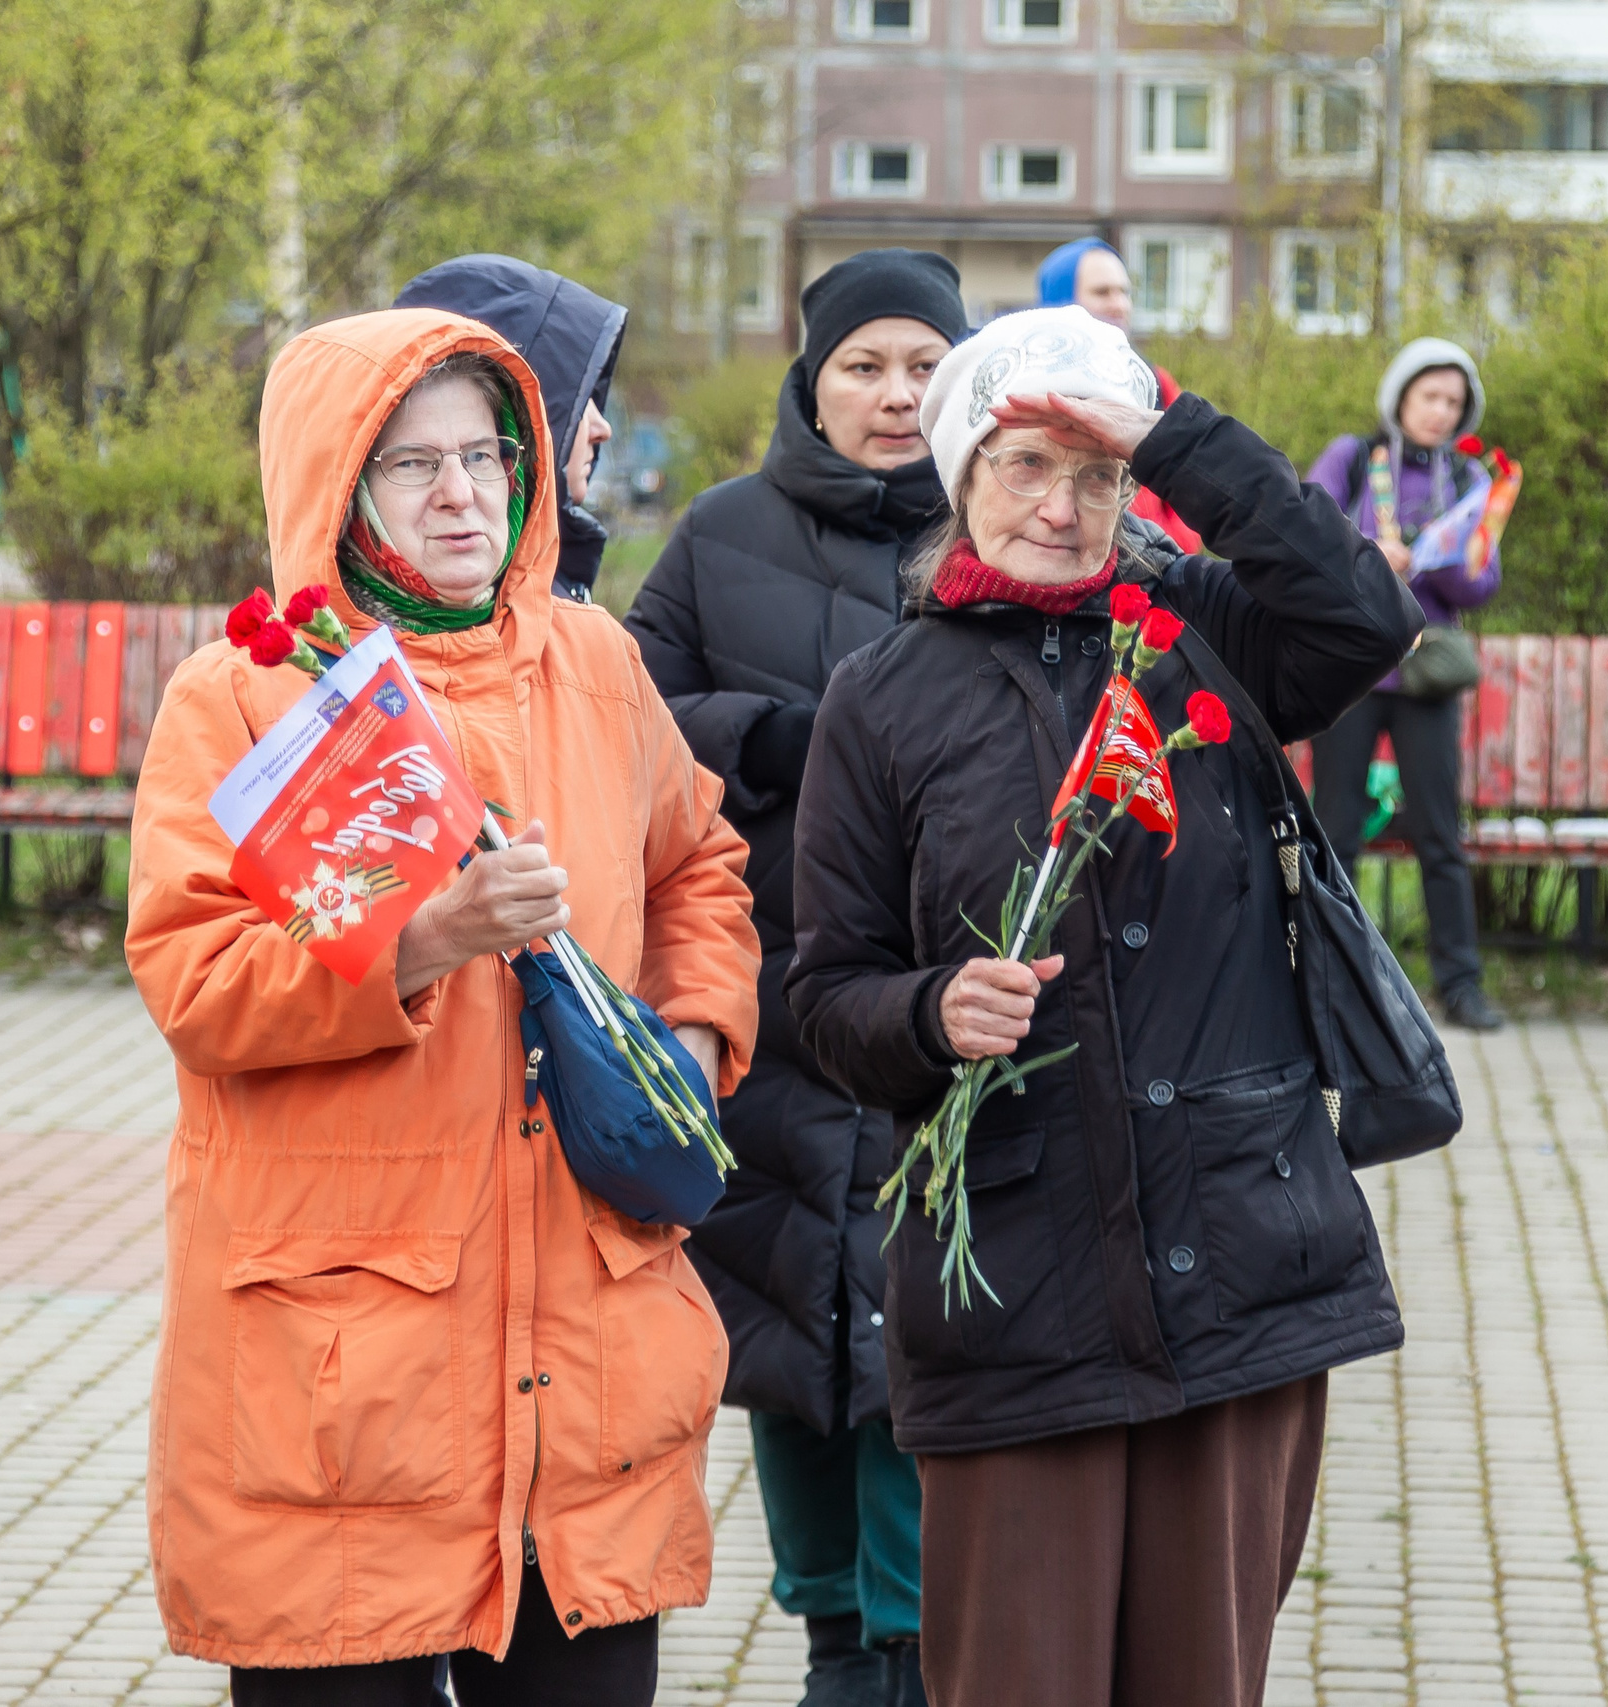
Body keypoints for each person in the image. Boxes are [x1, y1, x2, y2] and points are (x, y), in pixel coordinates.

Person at [785, 305, 1421, 1706]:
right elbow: (823, 996)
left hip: (1236, 1265)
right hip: (1017, 1286)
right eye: (1024, 465)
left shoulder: (1210, 639)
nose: (1062, 509)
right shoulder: (879, 701)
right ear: (959, 477)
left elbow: (1369, 615)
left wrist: (1177, 439)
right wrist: (931, 1008)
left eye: (1098, 473)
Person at [124, 307, 760, 1707]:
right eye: (409, 464)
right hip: (344, 1389)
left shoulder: (594, 665)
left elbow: (699, 864)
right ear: (331, 483)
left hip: (583, 1372)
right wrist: (421, 945)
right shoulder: (252, 696)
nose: (461, 491)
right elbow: (196, 979)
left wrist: (694, 1049)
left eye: (483, 452)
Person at [625, 246, 963, 1707]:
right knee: (775, 1319)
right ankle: (831, 1632)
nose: (897, 396)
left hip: (937, 998)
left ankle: (905, 1640)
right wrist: (773, 738)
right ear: (810, 382)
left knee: (913, 1324)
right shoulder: (720, 531)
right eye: (865, 367)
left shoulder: (996, 523)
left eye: (925, 366)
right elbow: (626, 709)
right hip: (763, 983)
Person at [1304, 337, 1504, 1033]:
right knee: (1334, 832)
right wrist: (1369, 552)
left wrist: (1428, 559)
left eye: (1454, 401)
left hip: (1426, 676)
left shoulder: (1473, 479)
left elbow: (1480, 581)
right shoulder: (1353, 457)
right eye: (1430, 396)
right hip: (1352, 670)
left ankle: (1461, 987)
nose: (1441, 412)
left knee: (1440, 836)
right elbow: (1305, 536)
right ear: (1402, 396)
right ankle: (1329, 989)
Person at [394, 254, 626, 603]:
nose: (602, 427)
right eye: (580, 395)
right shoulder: (476, 612)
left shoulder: (572, 620)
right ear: (527, 408)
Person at [1036, 237, 1201, 553]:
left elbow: (1190, 483)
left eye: (1124, 292)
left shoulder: (1156, 382)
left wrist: (1169, 547)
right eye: (1102, 292)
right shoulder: (1030, 390)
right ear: (1060, 300)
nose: (1120, 304)